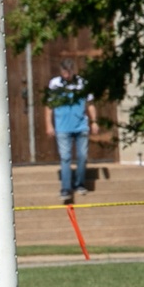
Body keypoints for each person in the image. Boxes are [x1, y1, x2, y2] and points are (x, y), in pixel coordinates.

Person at [44, 57, 98, 199]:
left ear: (73, 70)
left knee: (82, 156)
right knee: (65, 157)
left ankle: (80, 183)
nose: (67, 75)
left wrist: (94, 121)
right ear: (61, 71)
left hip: (81, 126)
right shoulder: (54, 84)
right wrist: (49, 125)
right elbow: (49, 106)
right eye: (64, 72)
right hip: (62, 127)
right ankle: (66, 188)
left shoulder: (82, 83)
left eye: (69, 72)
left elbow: (90, 103)